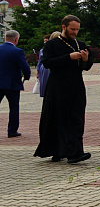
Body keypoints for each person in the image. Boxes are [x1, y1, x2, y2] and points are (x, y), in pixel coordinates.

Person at [34, 15, 93, 163]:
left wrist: (85, 60)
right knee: (58, 118)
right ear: (64, 27)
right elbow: (47, 63)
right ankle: (58, 150)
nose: (75, 32)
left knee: (76, 119)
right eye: (72, 29)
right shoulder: (52, 45)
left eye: (77, 29)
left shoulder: (80, 44)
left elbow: (86, 67)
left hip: (76, 85)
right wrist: (69, 57)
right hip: (57, 87)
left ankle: (75, 152)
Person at [0, 29, 30, 138]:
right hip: (12, 84)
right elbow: (25, 67)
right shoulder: (17, 51)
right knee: (13, 107)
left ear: (5, 38)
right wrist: (26, 77)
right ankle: (12, 130)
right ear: (16, 39)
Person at [36, 33, 52, 97]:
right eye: (44, 41)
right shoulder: (42, 50)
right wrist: (38, 70)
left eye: (46, 41)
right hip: (43, 68)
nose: (45, 43)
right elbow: (40, 61)